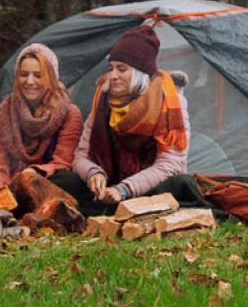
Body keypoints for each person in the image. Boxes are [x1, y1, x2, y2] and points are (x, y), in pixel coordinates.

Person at [67, 25, 190, 210]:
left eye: (121, 69)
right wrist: (93, 174)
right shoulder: (103, 101)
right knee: (64, 179)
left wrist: (125, 189)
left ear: (140, 73)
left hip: (149, 187)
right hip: (111, 184)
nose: (113, 76)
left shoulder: (170, 103)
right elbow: (80, 156)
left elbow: (169, 165)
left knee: (181, 184)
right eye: (111, 68)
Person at [0, 43, 83, 195]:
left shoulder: (69, 113)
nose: (29, 81)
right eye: (24, 74)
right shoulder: (3, 113)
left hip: (48, 183)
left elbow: (62, 163)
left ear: (51, 78)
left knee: (69, 180)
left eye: (38, 75)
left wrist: (33, 173)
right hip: (11, 185)